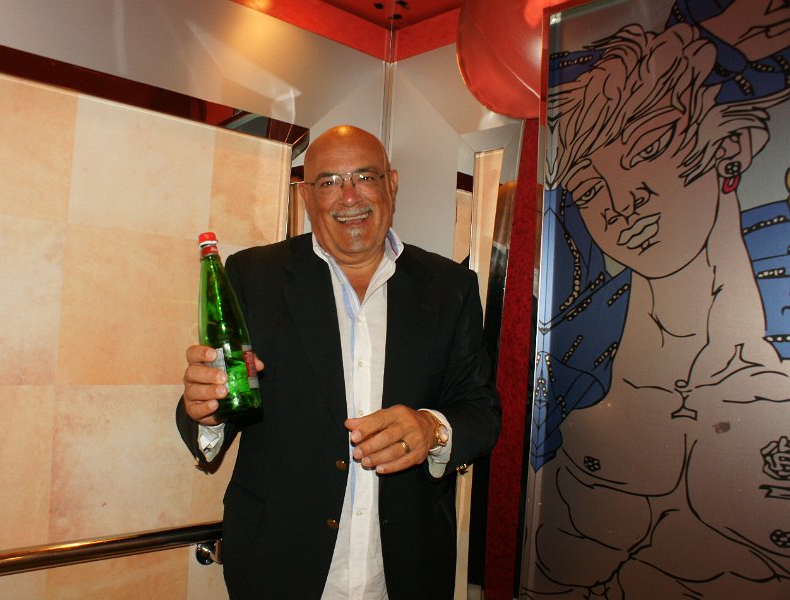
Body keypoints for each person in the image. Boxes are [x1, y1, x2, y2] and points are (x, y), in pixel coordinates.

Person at [524, 8, 790, 598]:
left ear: (734, 145)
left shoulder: (771, 387)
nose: (622, 203)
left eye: (648, 148)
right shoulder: (576, 369)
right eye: (590, 188)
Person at [176, 125, 502, 599]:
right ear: (307, 196)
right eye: (328, 182)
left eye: (364, 177)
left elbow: (481, 410)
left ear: (392, 183)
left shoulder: (450, 285)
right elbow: (220, 392)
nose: (349, 197)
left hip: (406, 571)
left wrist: (432, 428)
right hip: (279, 568)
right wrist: (206, 411)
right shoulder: (253, 276)